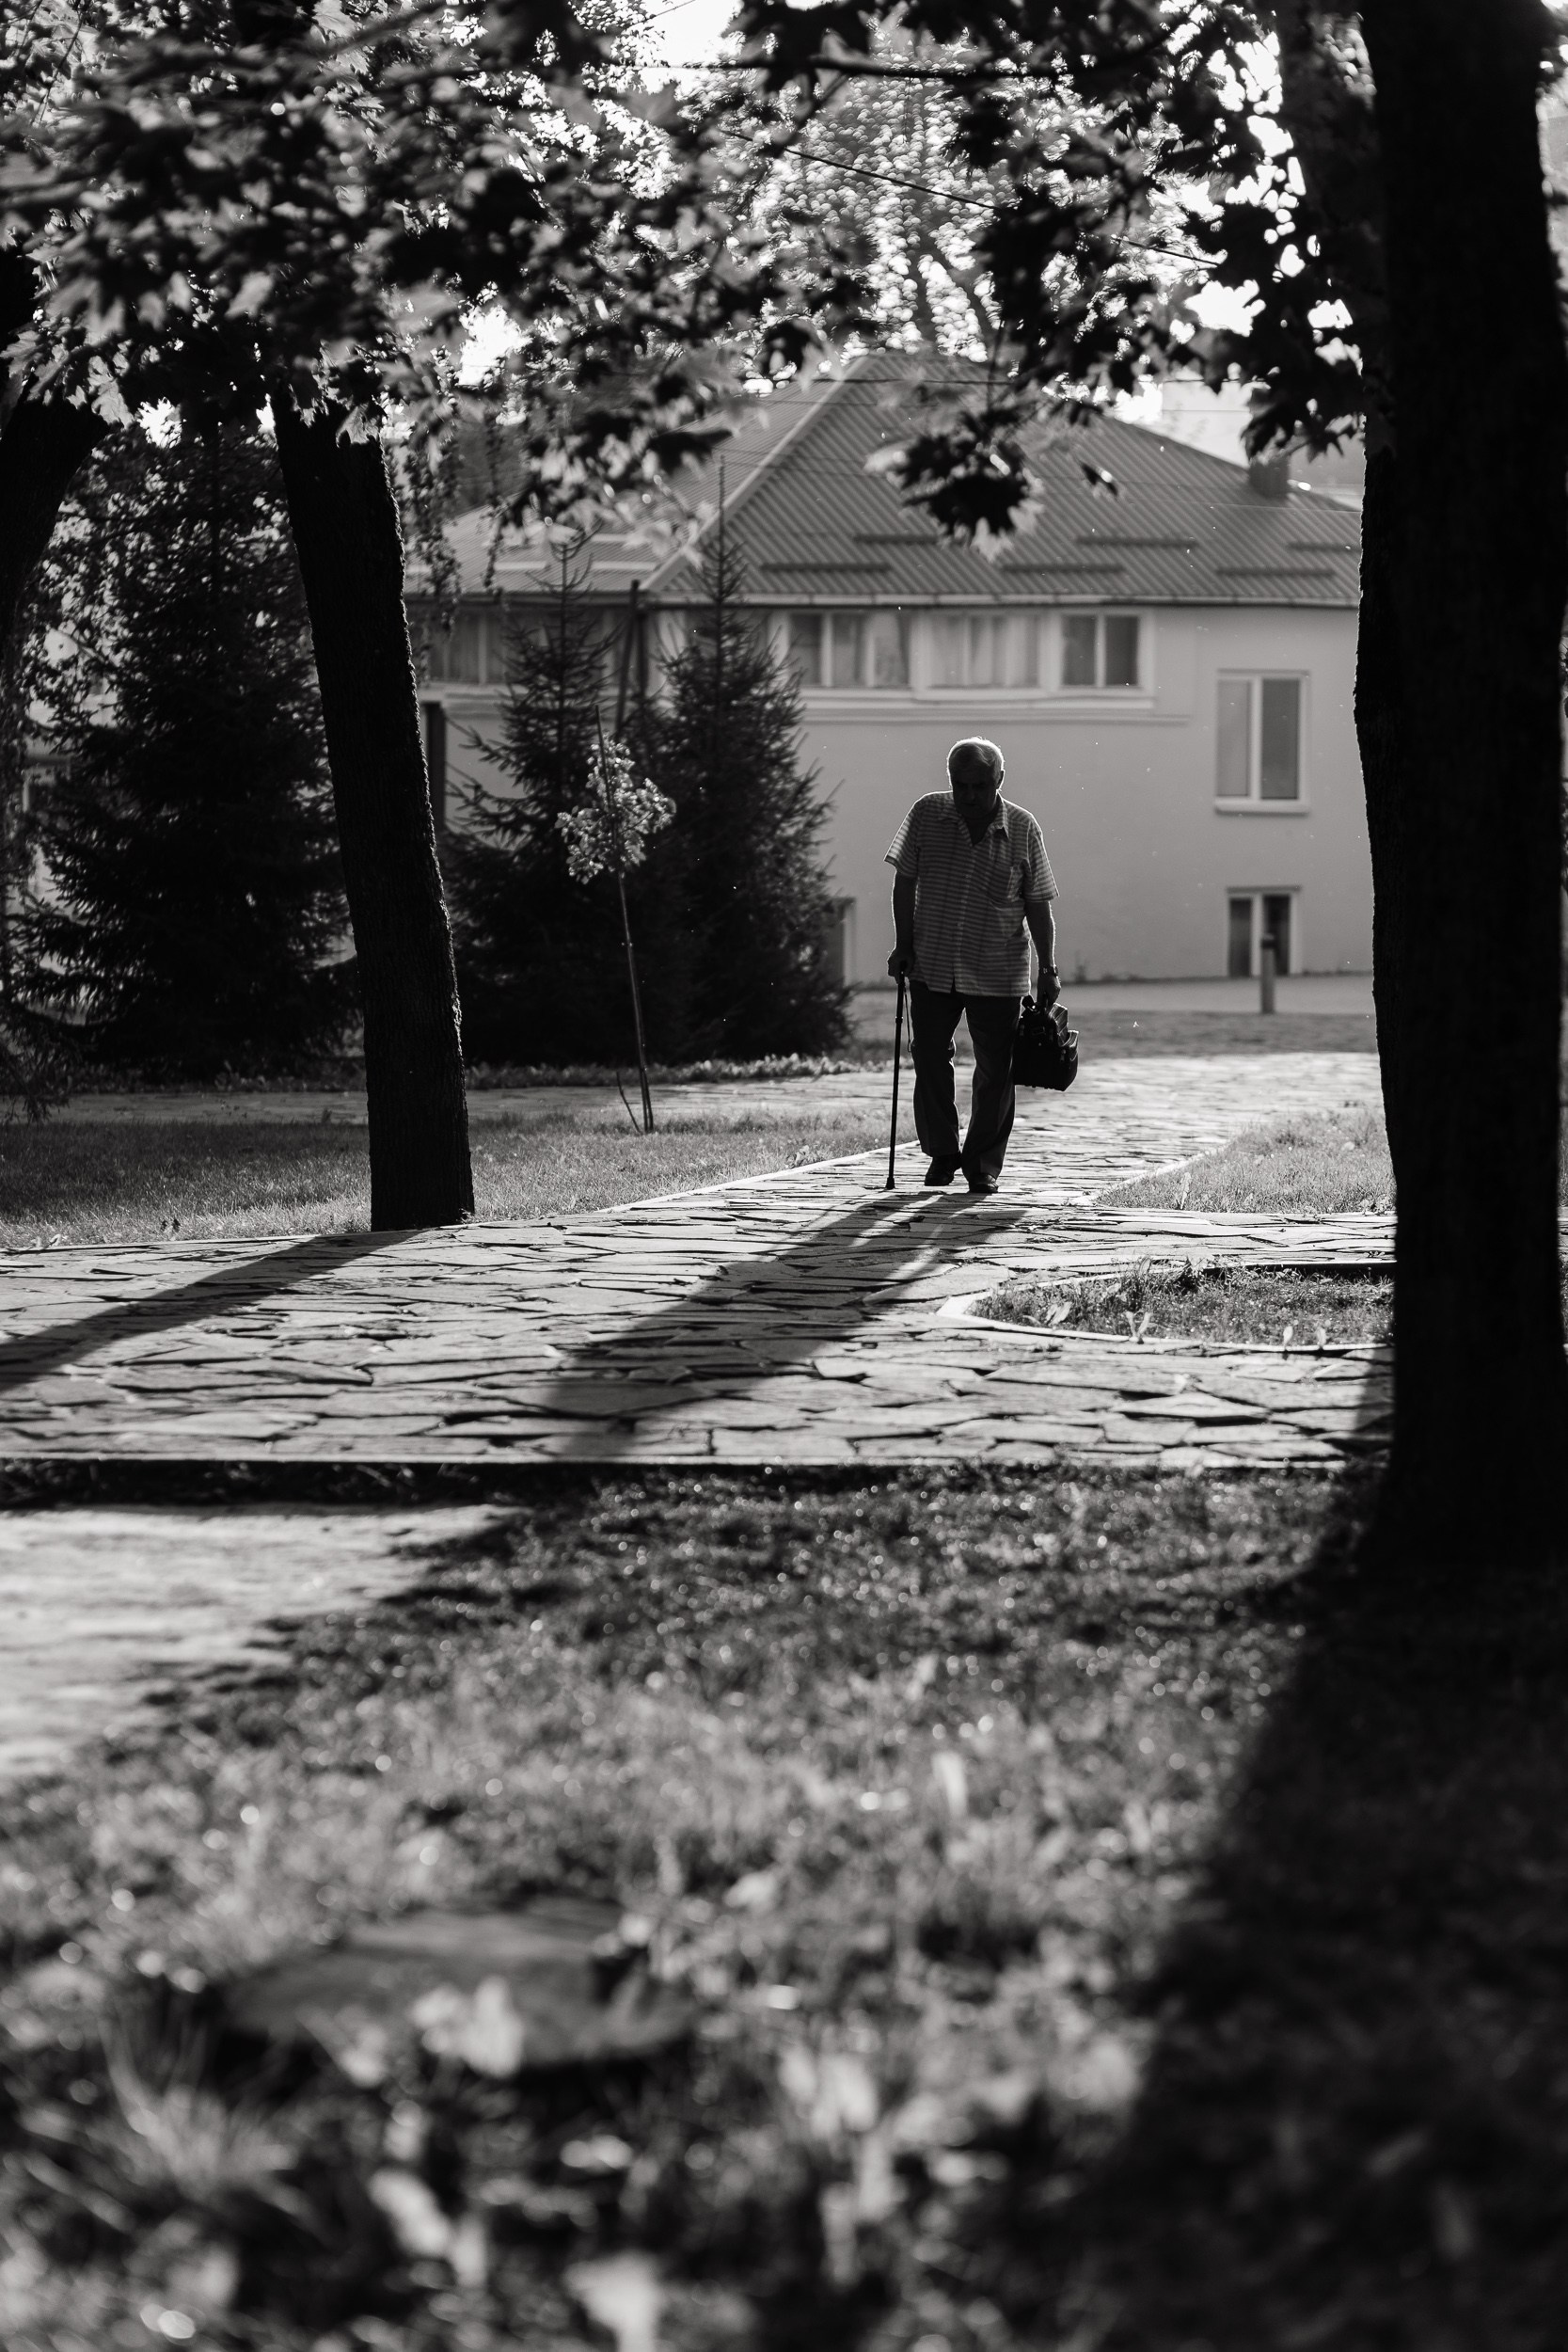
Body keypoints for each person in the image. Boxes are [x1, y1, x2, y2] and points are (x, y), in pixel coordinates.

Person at [884, 737, 1060, 1195]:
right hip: (932, 961)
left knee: (996, 1070)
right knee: (928, 1057)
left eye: (979, 785)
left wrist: (1049, 968)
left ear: (999, 780)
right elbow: (904, 883)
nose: (969, 795)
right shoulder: (926, 814)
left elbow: (1038, 904)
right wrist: (902, 944)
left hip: (998, 966)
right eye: (960, 784)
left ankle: (982, 1164)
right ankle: (943, 1152)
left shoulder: (1023, 828)